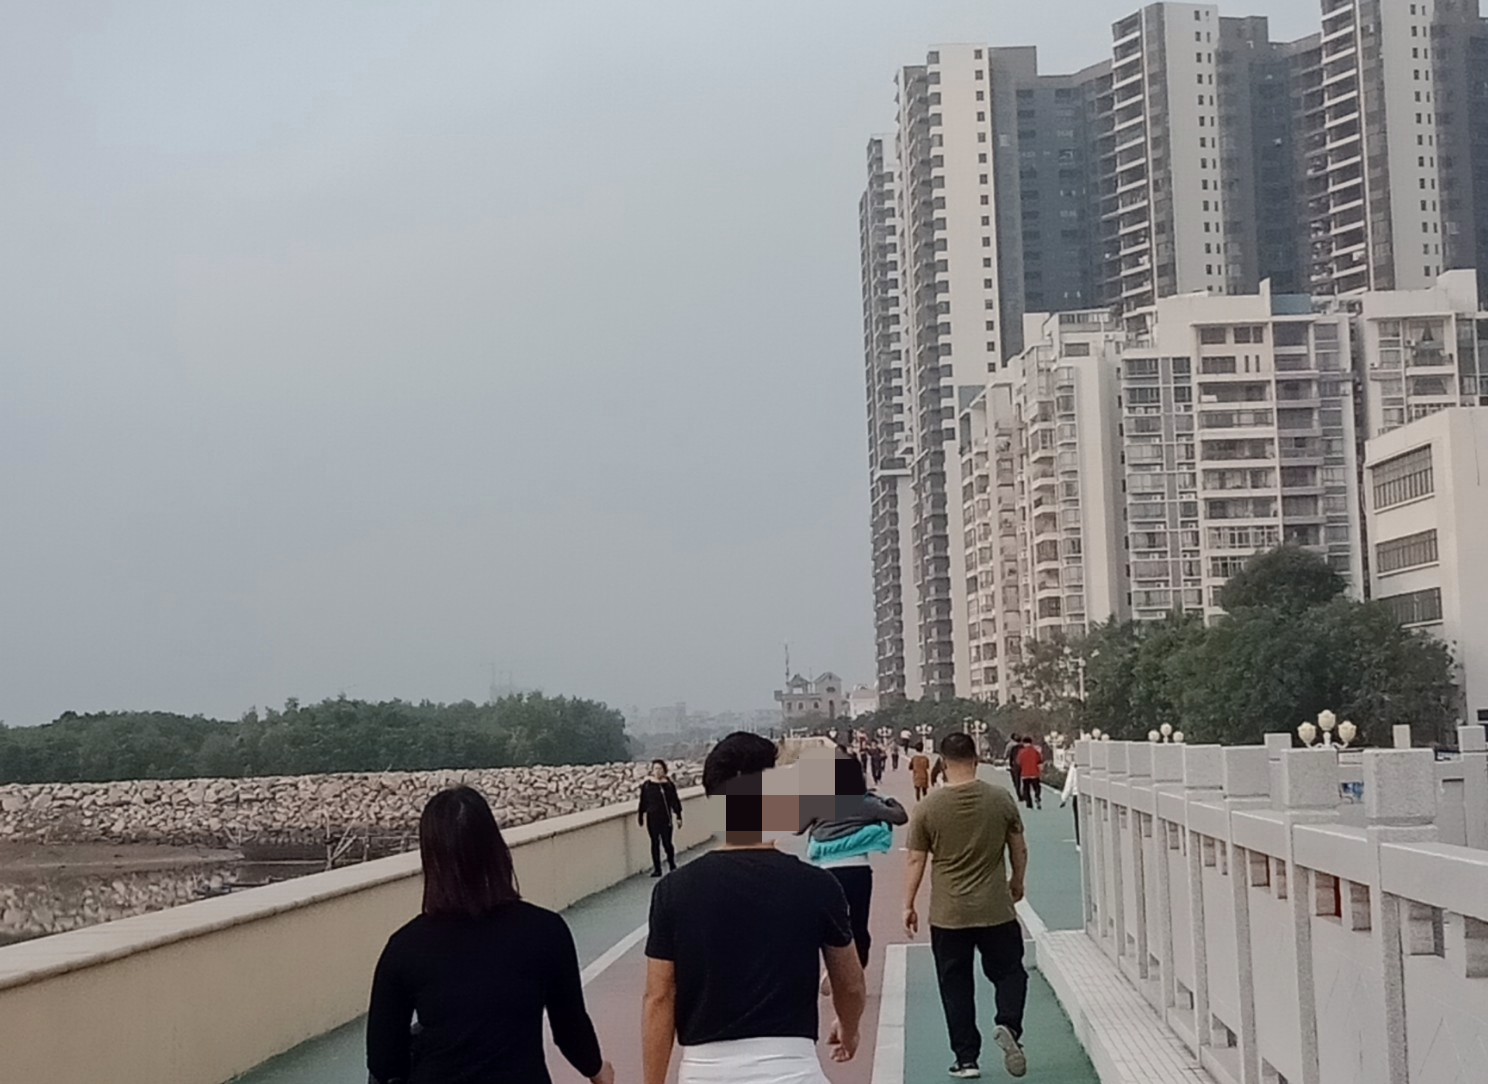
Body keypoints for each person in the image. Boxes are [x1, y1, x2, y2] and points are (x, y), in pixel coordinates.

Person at [643, 732, 867, 1084]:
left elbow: (659, 997)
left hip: (705, 1072)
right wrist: (849, 1029)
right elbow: (850, 984)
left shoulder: (674, 890)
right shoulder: (817, 885)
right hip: (793, 1069)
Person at [367, 786, 614, 1084]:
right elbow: (569, 1027)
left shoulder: (404, 947)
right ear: (494, 848)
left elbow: (383, 1060)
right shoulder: (546, 930)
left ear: (431, 857)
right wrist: (597, 1071)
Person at [904, 733, 1030, 1080]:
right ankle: (1009, 1025)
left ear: (943, 763)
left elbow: (915, 860)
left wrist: (908, 904)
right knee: (1010, 972)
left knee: (955, 984)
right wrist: (1017, 882)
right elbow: (1019, 848)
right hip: (995, 908)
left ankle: (966, 1059)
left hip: (948, 914)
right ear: (976, 760)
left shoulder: (928, 807)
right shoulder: (1000, 798)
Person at [802, 749, 908, 990]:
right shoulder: (866, 801)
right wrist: (888, 801)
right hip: (857, 870)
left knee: (829, 923)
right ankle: (855, 972)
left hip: (825, 872)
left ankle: (832, 969)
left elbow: (797, 827)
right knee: (858, 924)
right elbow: (900, 817)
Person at [639, 759, 684, 877]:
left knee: (667, 843)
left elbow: (675, 801)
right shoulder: (647, 785)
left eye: (660, 768)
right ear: (652, 770)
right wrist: (641, 815)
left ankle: (672, 864)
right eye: (655, 769)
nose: (658, 771)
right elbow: (643, 801)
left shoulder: (668, 785)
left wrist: (678, 815)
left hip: (666, 818)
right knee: (654, 843)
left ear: (664, 770)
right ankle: (657, 869)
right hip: (652, 818)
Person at [1015, 737, 1044, 810]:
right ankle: (1037, 796)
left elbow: (1018, 762)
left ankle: (1029, 804)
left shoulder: (1021, 752)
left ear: (1024, 743)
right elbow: (1039, 762)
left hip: (1025, 774)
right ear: (1031, 743)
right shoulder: (1035, 751)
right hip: (1035, 773)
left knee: (1026, 789)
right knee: (1037, 787)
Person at [1059, 763, 1080, 848]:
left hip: (1076, 795)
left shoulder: (1074, 766)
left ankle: (1079, 842)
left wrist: (1064, 798)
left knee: (1078, 820)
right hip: (1088, 796)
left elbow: (1069, 783)